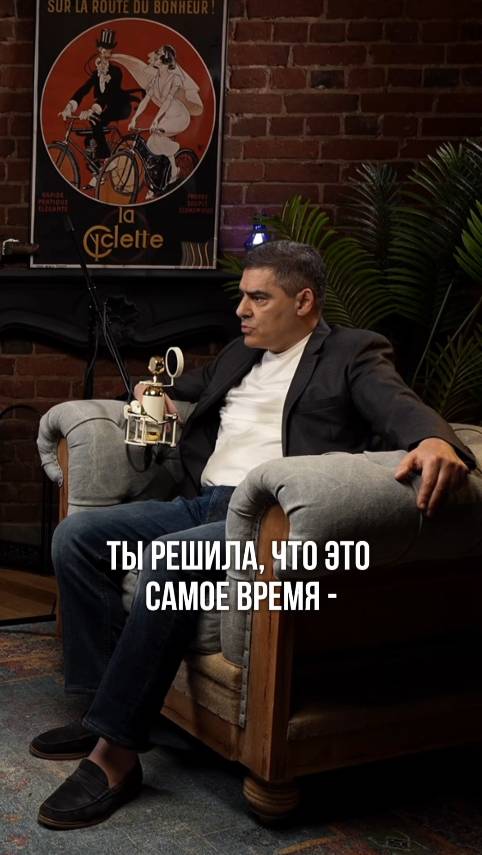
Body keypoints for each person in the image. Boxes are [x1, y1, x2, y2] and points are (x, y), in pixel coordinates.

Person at [31, 241, 474, 830]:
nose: (241, 309)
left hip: (263, 520)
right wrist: (150, 394)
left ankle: (115, 754)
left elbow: (400, 407)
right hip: (202, 501)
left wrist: (435, 440)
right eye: (242, 296)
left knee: (168, 562)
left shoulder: (352, 352)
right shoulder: (242, 353)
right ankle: (98, 706)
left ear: (304, 301)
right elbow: (184, 390)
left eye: (258, 298)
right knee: (78, 537)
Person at [113, 44, 203, 197]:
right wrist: (134, 119)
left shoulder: (175, 78)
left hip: (179, 116)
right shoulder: (155, 79)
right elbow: (145, 100)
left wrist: (155, 120)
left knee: (157, 135)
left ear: (164, 59)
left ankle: (174, 171)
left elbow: (167, 102)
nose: (153, 56)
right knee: (151, 145)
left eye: (158, 53)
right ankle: (157, 181)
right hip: (167, 115)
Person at [59, 29, 140, 180]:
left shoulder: (116, 72)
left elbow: (108, 96)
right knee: (88, 139)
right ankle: (98, 173)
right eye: (103, 50)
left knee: (94, 120)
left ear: (110, 53)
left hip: (120, 107)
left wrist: (92, 110)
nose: (105, 54)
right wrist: (69, 107)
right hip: (104, 108)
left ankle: (109, 159)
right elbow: (83, 90)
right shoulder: (96, 74)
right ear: (99, 50)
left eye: (108, 51)